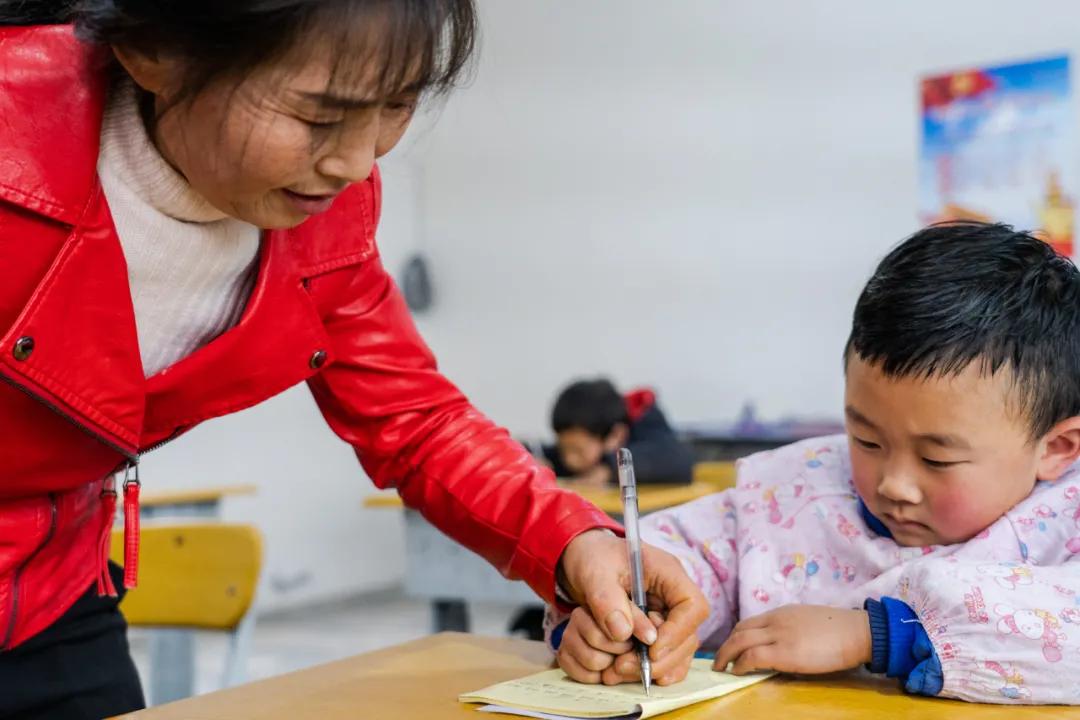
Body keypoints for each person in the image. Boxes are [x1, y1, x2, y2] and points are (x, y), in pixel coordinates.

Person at [0, 2, 706, 716]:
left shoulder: (323, 219)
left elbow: (418, 420)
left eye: (396, 107)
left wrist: (575, 542)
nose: (357, 164)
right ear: (156, 50)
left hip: (52, 599)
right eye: (319, 116)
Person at [549, 222, 1080, 704]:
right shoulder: (798, 492)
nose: (894, 483)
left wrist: (877, 634)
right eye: (867, 440)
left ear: (1056, 448)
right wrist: (619, 620)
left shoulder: (1067, 518)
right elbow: (678, 559)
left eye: (937, 458)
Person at [542, 379, 695, 487]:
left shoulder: (648, 426)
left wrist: (611, 470)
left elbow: (677, 461)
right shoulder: (581, 443)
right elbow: (548, 454)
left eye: (578, 451)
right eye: (564, 449)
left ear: (615, 436)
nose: (569, 460)